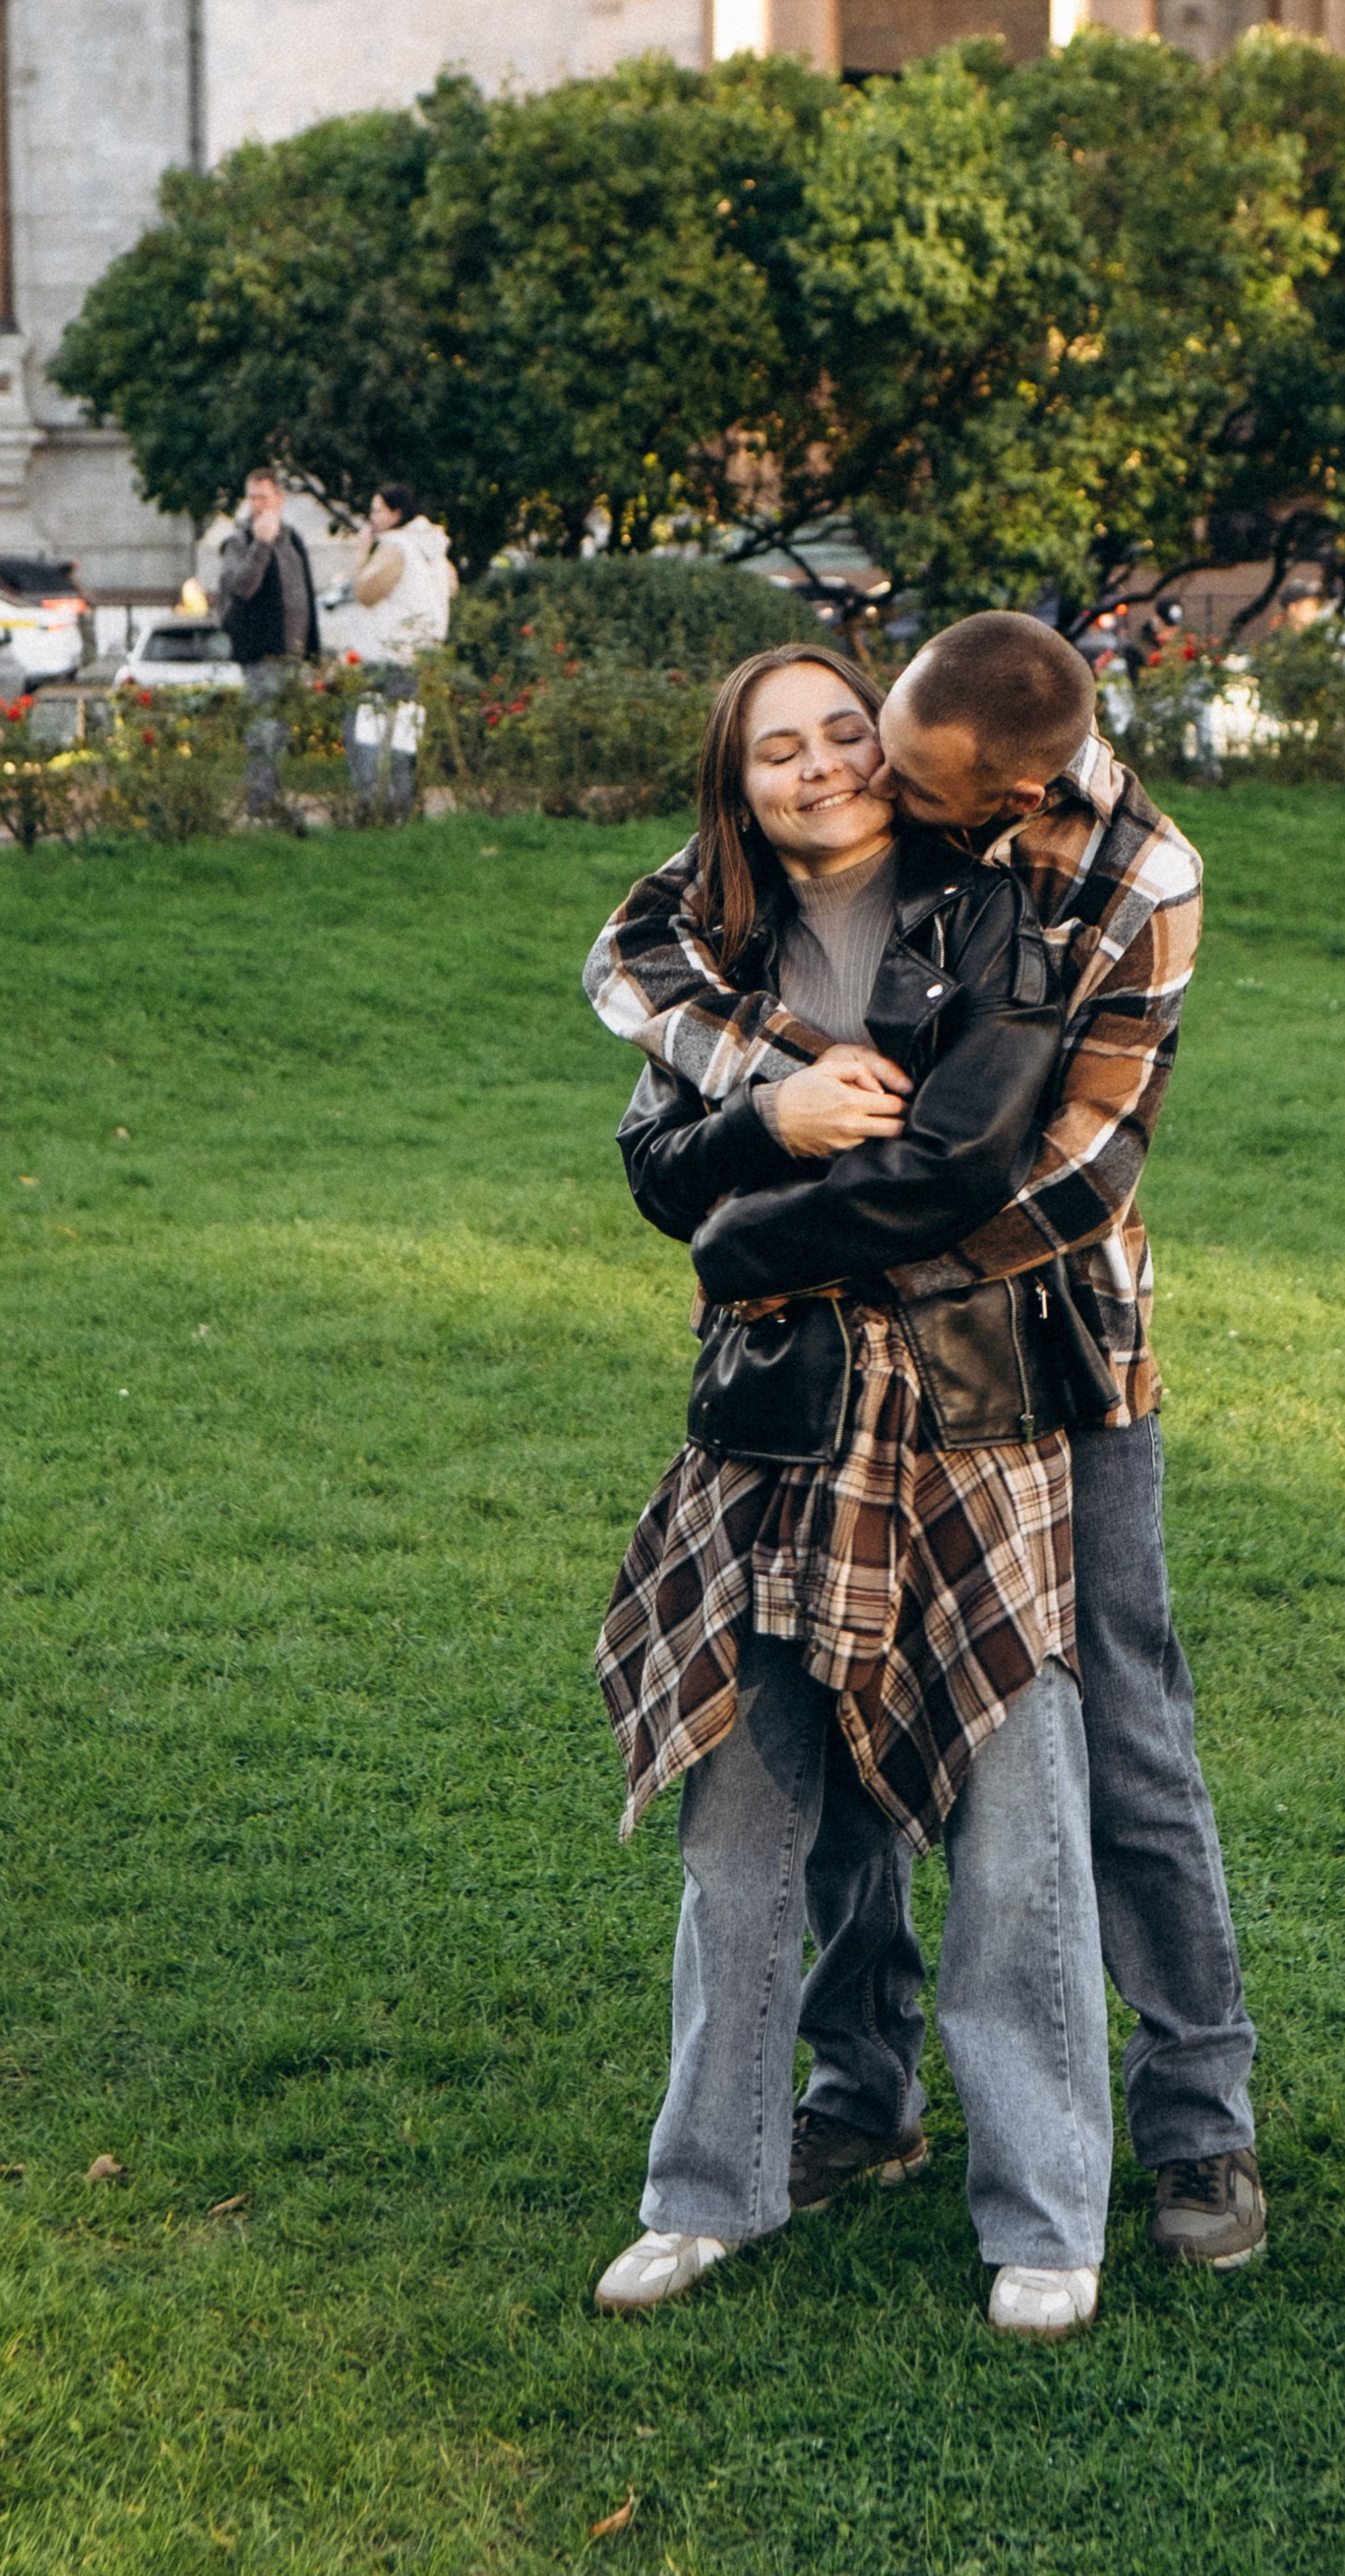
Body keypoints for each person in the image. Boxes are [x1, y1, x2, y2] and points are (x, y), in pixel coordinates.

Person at [587, 608, 1263, 2277]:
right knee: (816, 1700)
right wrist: (762, 1103)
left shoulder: (1122, 881)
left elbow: (1058, 1184)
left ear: (1007, 787)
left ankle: (1198, 2128)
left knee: (1113, 1729)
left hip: (1048, 1356)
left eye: (901, 768)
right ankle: (859, 2086)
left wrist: (770, 1243)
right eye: (838, 745)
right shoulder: (880, 800)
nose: (870, 779)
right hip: (814, 1379)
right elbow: (634, 962)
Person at [339, 484, 453, 822]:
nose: (371, 519)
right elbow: (452, 585)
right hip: (419, 660)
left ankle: (375, 809)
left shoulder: (395, 547)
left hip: (384, 661)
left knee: (367, 736)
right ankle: (404, 810)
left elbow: (365, 591)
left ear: (395, 514)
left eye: (377, 511)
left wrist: (362, 552)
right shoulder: (432, 548)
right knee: (403, 741)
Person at [214, 468, 320, 824]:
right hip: (260, 648)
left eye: (263, 497)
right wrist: (261, 545)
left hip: (290, 650)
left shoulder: (292, 539)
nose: (257, 505)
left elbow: (303, 593)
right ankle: (261, 801)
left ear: (280, 498)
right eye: (252, 497)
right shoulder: (240, 541)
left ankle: (269, 796)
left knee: (280, 729)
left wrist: (310, 649)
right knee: (265, 728)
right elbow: (240, 587)